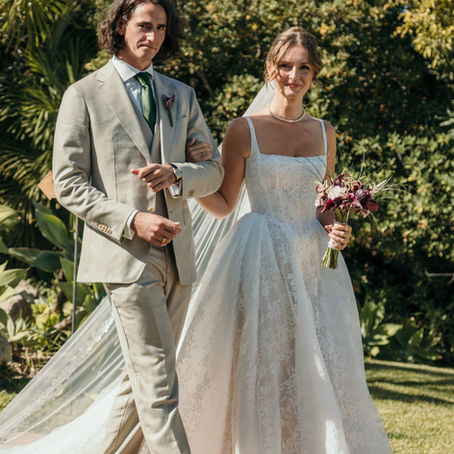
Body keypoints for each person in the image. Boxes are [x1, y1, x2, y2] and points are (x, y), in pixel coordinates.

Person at [176, 27, 393, 453]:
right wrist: (185, 183)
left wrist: (336, 227)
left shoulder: (325, 132)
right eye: (285, 66)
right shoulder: (244, 130)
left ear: (314, 74)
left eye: (304, 68)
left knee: (315, 360)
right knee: (263, 359)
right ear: (270, 69)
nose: (294, 75)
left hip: (313, 257)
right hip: (259, 254)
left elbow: (322, 202)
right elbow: (224, 203)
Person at [52, 0, 223, 453]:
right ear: (121, 26)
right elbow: (68, 183)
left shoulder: (180, 94)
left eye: (162, 28)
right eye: (145, 26)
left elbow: (216, 172)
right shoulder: (84, 94)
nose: (154, 36)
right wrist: (132, 219)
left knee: (141, 380)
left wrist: (179, 174)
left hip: (179, 257)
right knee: (160, 383)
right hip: (125, 256)